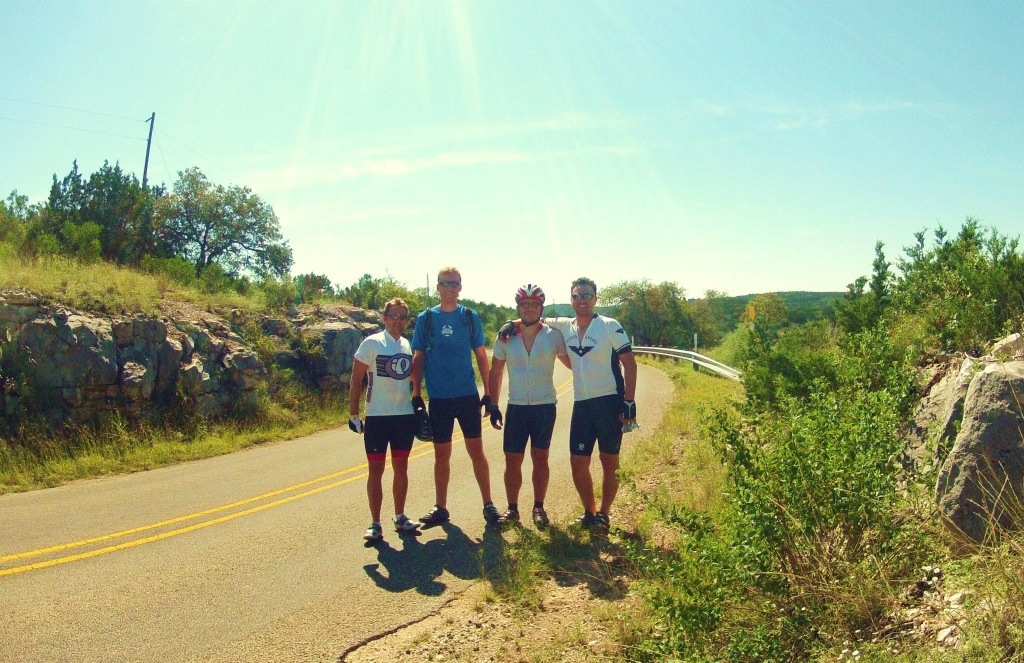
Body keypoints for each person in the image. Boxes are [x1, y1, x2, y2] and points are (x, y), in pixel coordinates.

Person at [501, 277, 637, 530]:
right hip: (582, 405)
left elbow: (629, 363)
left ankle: (604, 514)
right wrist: (511, 324)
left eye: (587, 296)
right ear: (570, 299)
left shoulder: (610, 325)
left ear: (596, 298)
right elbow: (533, 318)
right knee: (578, 462)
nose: (582, 301)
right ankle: (589, 512)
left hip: (609, 401)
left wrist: (629, 401)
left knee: (609, 461)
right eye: (577, 296)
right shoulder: (565, 325)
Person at [410, 267, 500, 526]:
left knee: (476, 451)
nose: (449, 288)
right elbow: (419, 358)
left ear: (461, 287)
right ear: (437, 287)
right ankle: (441, 508)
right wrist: (416, 396)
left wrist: (489, 394)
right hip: (439, 398)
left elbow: (482, 357)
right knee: (441, 455)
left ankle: (488, 504)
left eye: (454, 283)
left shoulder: (470, 317)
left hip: (467, 396)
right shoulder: (426, 319)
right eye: (444, 283)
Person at [487, 284, 569, 529]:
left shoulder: (554, 335)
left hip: (545, 405)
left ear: (541, 307)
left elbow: (574, 365)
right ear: (518, 307)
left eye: (534, 304)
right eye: (524, 304)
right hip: (517, 406)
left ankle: (539, 506)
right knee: (512, 459)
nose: (529, 309)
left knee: (540, 457)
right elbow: (496, 371)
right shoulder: (505, 336)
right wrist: (493, 404)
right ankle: (512, 509)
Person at [349, 298, 421, 543]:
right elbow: (356, 379)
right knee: (376, 471)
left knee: (401, 468)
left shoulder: (406, 344)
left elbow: (412, 377)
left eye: (402, 317)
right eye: (393, 316)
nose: (397, 321)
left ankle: (400, 517)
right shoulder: (371, 343)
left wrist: (417, 401)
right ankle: (375, 523)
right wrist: (353, 414)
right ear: (384, 317)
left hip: (403, 416)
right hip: (377, 417)